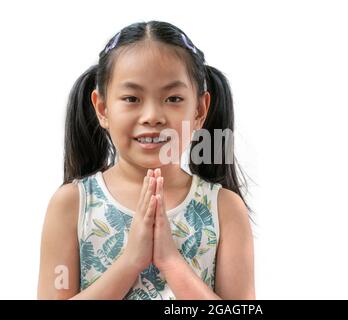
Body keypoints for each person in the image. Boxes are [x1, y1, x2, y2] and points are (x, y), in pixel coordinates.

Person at [37, 20, 255, 300]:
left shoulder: (224, 209)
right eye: (131, 98)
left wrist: (171, 262)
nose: (152, 115)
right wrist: (130, 262)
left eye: (173, 98)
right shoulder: (72, 205)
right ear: (102, 108)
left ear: (200, 110)